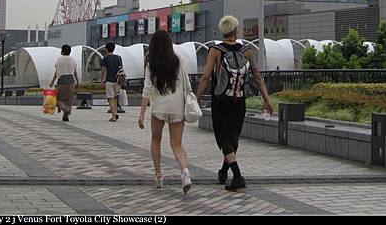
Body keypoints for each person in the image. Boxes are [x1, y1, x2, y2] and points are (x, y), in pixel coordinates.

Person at [196, 15, 275, 191]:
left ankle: (238, 176)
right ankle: (224, 172)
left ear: (223, 32)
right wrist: (267, 101)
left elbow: (206, 77)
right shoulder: (247, 51)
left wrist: (198, 97)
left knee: (224, 138)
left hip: (221, 102)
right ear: (235, 31)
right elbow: (257, 77)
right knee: (233, 138)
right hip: (239, 101)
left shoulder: (215, 50)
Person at [137, 29, 193, 194]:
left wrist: (141, 114)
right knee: (176, 144)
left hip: (159, 107)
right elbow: (187, 83)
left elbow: (147, 89)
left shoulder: (150, 63)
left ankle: (159, 176)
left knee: (156, 140)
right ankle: (185, 172)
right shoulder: (178, 60)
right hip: (177, 107)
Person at [49, 44, 79, 122]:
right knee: (69, 99)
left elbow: (57, 72)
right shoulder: (73, 60)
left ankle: (64, 109)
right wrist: (78, 81)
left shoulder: (59, 59)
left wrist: (52, 82)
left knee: (58, 97)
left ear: (62, 51)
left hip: (62, 80)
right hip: (71, 81)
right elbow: (75, 72)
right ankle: (66, 114)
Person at [101, 42, 124, 122]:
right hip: (118, 81)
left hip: (109, 81)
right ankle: (115, 113)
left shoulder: (106, 58)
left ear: (106, 49)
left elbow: (103, 70)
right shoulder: (119, 58)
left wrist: (102, 80)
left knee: (110, 98)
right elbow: (121, 68)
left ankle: (114, 116)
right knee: (115, 97)